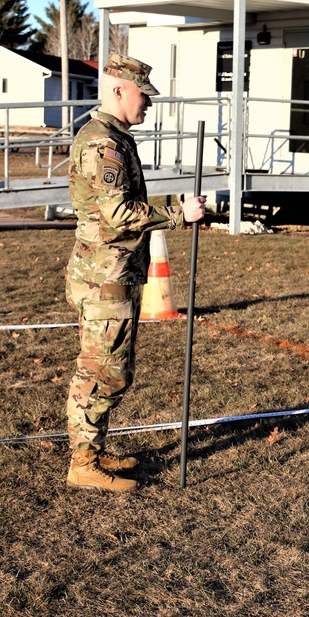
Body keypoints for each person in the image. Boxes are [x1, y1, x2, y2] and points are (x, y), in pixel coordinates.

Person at [64, 53, 206, 491]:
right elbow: (119, 212)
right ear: (119, 91)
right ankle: (83, 464)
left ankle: (93, 447)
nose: (148, 104)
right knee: (101, 370)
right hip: (104, 277)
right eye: (144, 95)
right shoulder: (102, 143)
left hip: (112, 273)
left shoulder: (115, 137)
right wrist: (178, 214)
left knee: (112, 368)